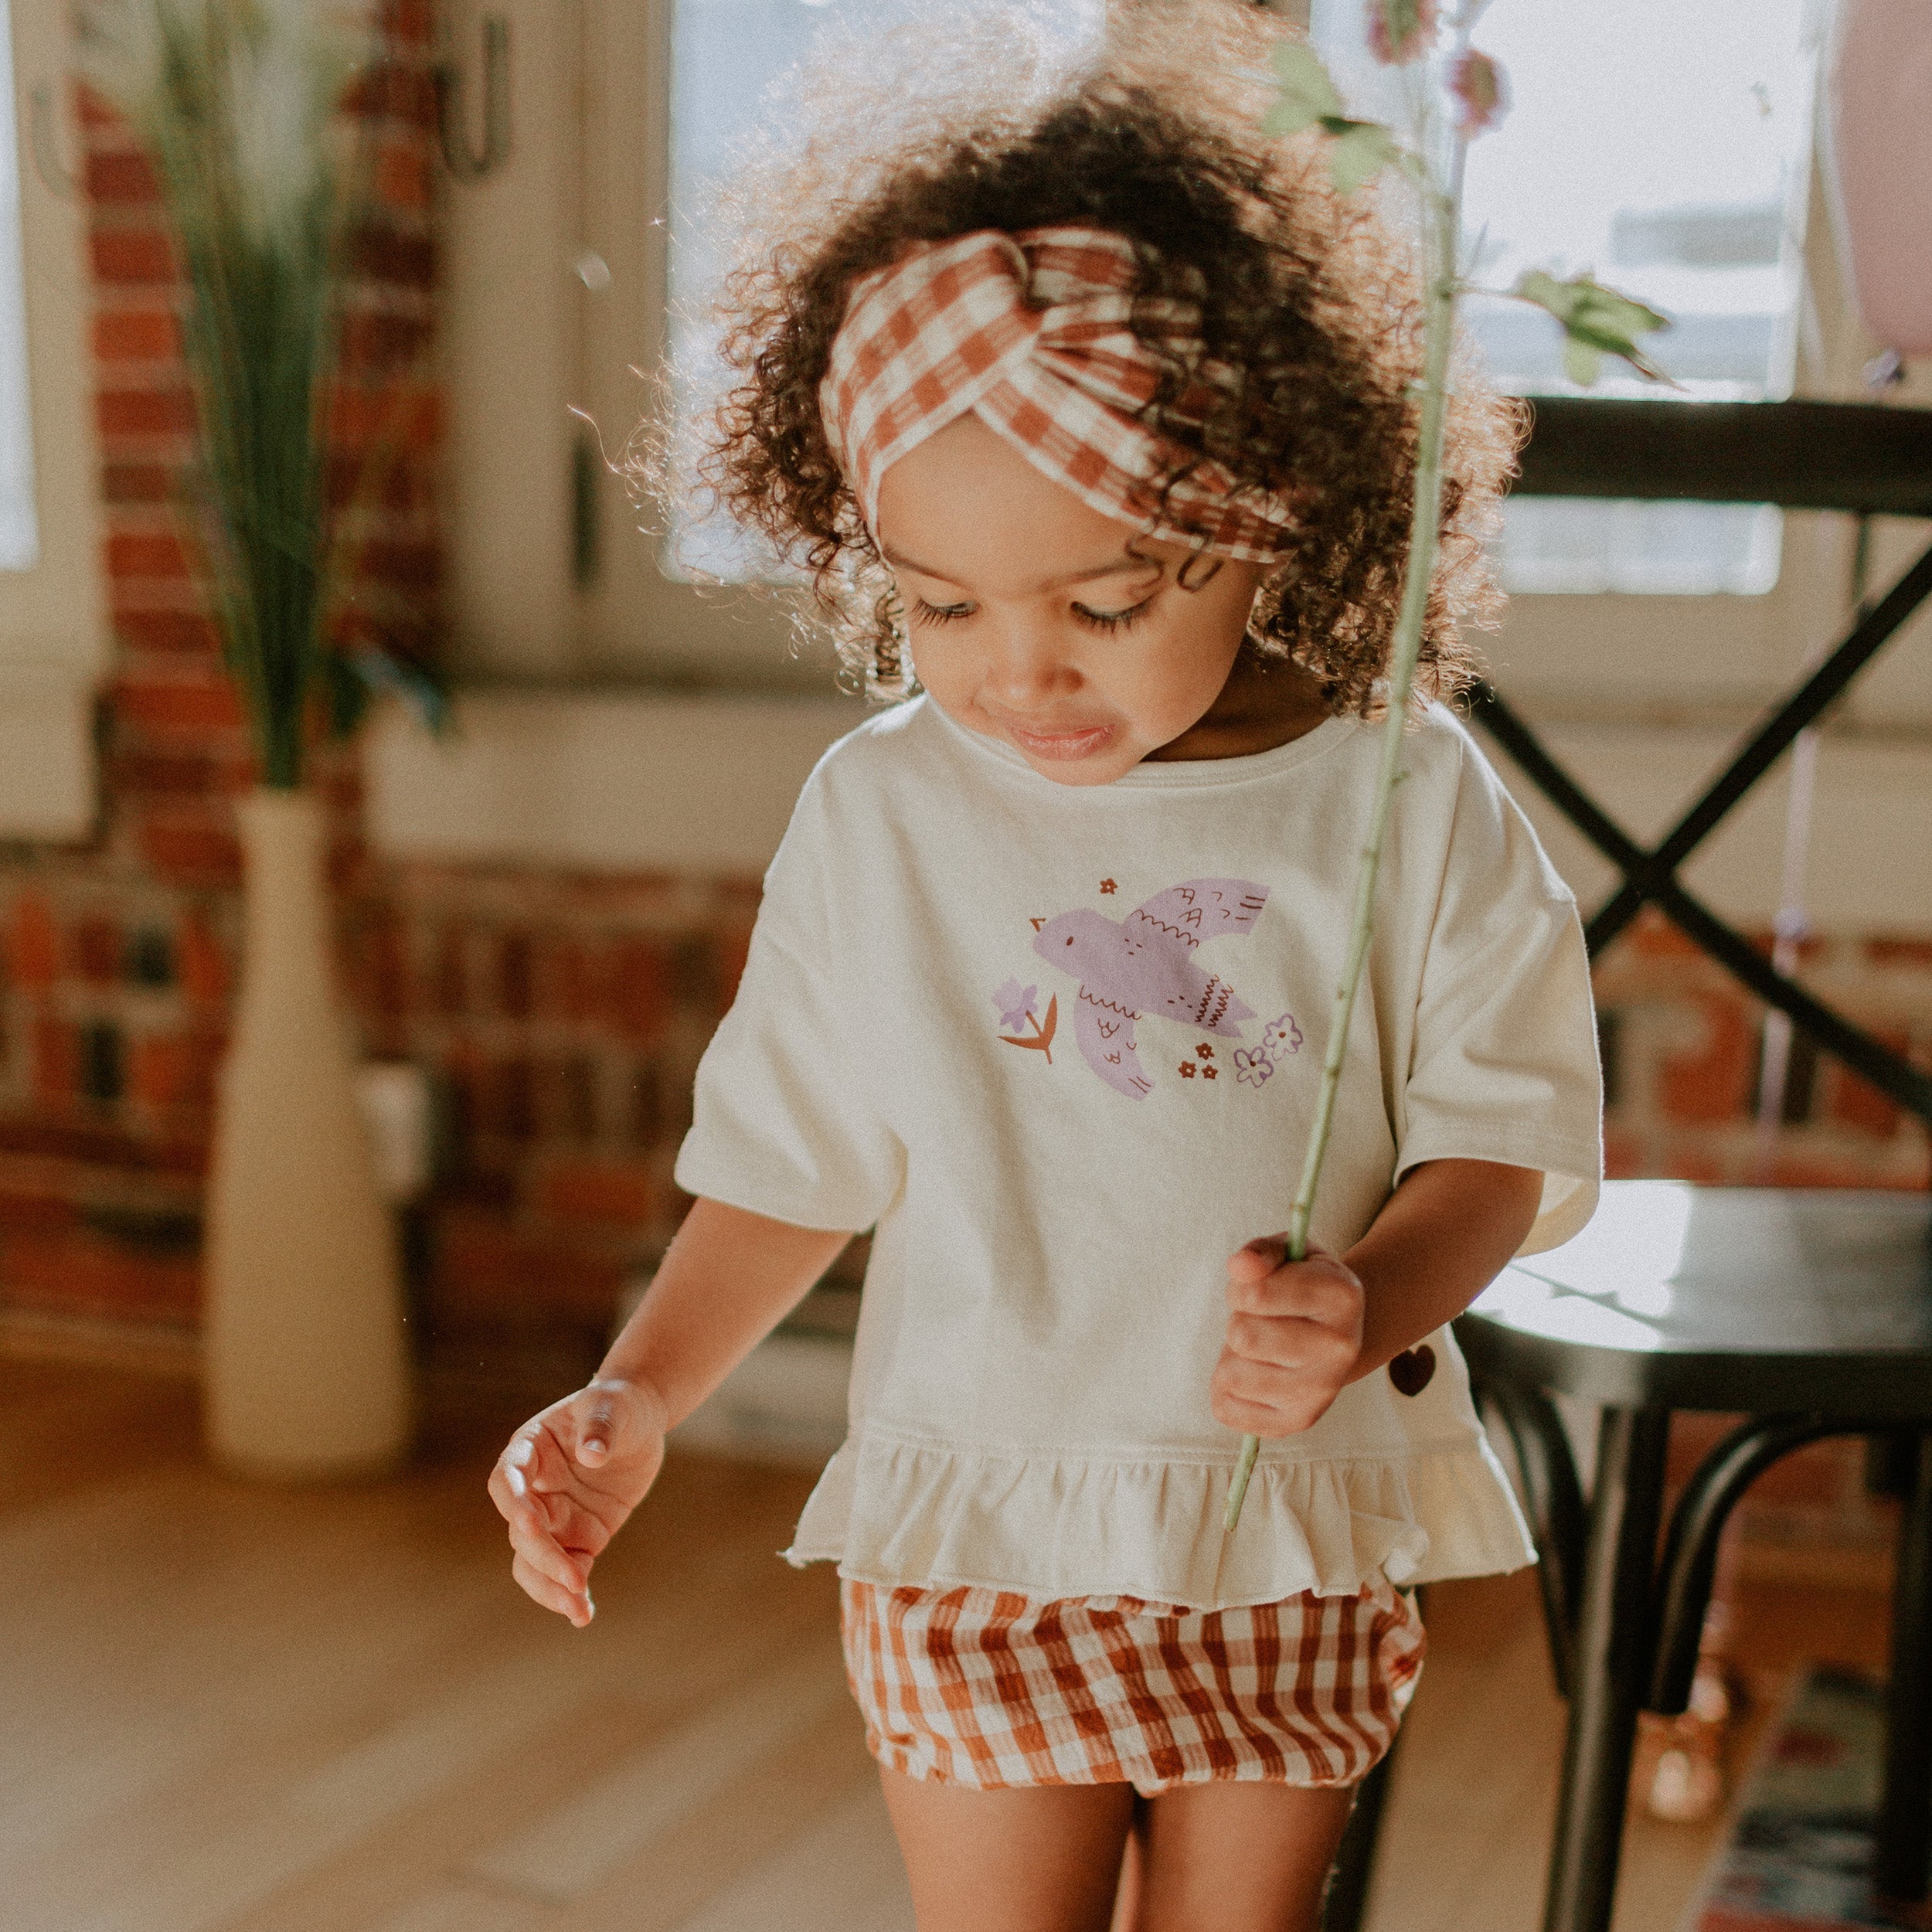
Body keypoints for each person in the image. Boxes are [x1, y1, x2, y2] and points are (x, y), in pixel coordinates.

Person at [490, 9, 1603, 1928]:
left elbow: (1498, 1143)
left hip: (1287, 1528)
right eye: (937, 606)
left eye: (1103, 602)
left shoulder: (1406, 793)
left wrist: (1364, 1298)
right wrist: (642, 1392)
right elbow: (787, 1162)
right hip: (976, 1514)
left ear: (1266, 519)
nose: (1020, 673)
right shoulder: (883, 812)